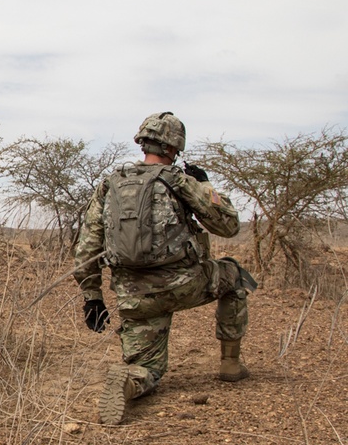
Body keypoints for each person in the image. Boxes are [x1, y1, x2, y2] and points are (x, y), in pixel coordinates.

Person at [73, 112, 257, 425]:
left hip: (135, 298)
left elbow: (87, 248)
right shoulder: (178, 180)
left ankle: (129, 380)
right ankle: (230, 364)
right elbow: (228, 225)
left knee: (148, 368)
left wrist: (93, 296)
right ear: (173, 148)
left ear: (143, 143)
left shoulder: (110, 185)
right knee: (234, 275)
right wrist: (206, 184)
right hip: (184, 284)